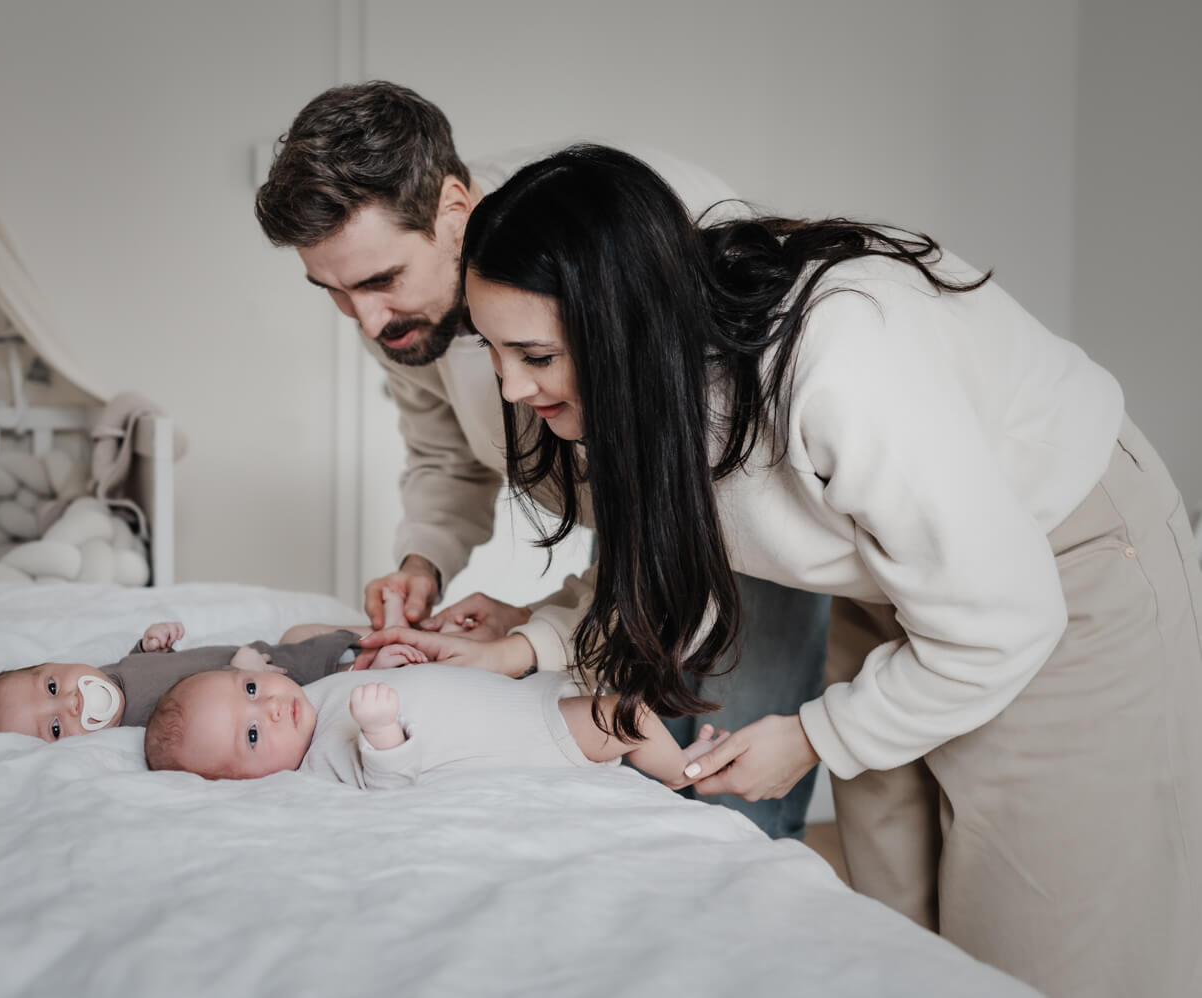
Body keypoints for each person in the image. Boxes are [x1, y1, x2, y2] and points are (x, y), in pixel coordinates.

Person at [359, 143, 1201, 997]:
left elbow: (1003, 616)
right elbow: (667, 569)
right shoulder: (648, 392)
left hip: (1058, 574)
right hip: (901, 586)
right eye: (494, 351)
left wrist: (813, 738)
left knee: (1042, 954)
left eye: (534, 358)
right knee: (898, 933)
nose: (509, 390)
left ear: (625, 325)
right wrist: (526, 646)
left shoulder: (842, 363)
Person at [254, 81, 828, 837]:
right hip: (634, 544)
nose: (363, 318)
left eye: (379, 281)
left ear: (454, 211)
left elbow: (690, 505)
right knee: (632, 778)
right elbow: (445, 455)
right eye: (330, 290)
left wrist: (536, 640)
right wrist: (423, 561)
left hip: (753, 524)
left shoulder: (624, 235)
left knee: (736, 798)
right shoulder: (402, 316)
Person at [144, 660, 725, 790]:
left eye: (250, 690)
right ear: (248, 779)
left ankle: (680, 759)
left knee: (624, 680)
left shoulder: (306, 700)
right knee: (626, 715)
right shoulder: (316, 761)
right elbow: (389, 781)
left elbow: (337, 679)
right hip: (530, 734)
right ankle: (682, 772)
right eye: (252, 735)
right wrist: (380, 732)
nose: (269, 706)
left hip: (518, 696)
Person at [0, 620, 426, 740]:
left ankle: (402, 629)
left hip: (259, 657)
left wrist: (152, 645)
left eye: (53, 689)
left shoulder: (111, 674)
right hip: (268, 685)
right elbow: (211, 712)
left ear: (55, 665)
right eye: (57, 728)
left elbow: (147, 666)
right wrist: (241, 673)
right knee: (317, 670)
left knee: (302, 634)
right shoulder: (142, 724)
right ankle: (370, 666)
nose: (73, 705)